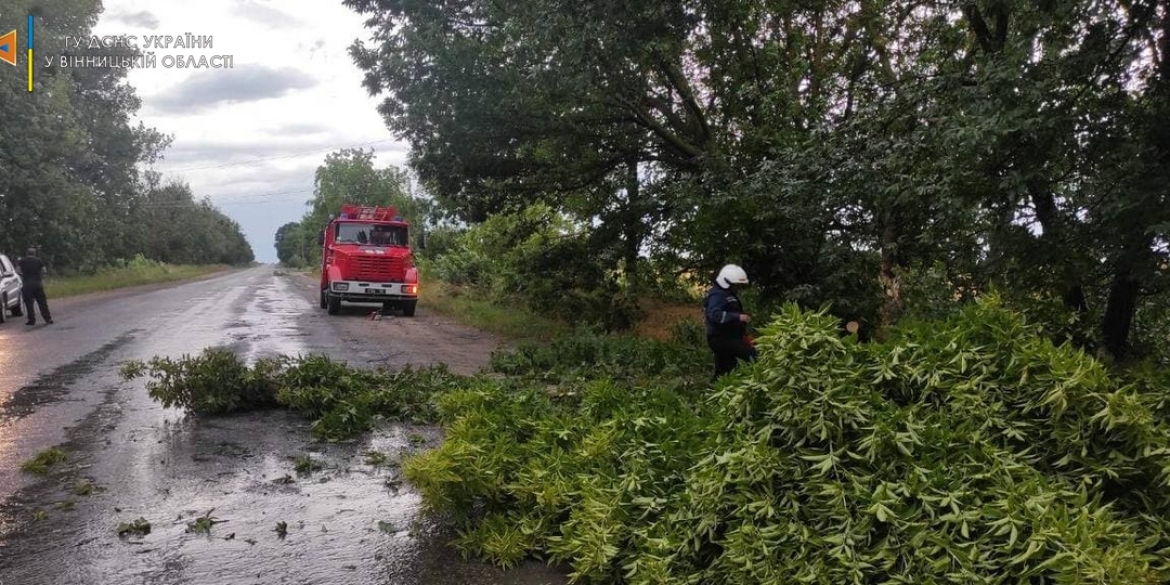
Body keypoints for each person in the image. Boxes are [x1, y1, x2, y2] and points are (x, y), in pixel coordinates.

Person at [704, 264, 756, 380]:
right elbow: (715, 315)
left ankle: (711, 393)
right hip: (721, 338)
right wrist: (738, 317)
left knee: (724, 371)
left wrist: (742, 335)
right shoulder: (717, 295)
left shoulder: (727, 294)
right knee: (753, 357)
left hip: (730, 337)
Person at [17, 247, 53, 326]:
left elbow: (18, 270)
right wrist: (40, 277)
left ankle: (31, 320)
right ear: (34, 253)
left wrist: (23, 275)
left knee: (29, 303)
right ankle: (48, 318)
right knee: (42, 302)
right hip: (37, 284)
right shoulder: (39, 261)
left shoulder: (22, 261)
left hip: (27, 284)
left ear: (27, 253)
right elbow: (44, 270)